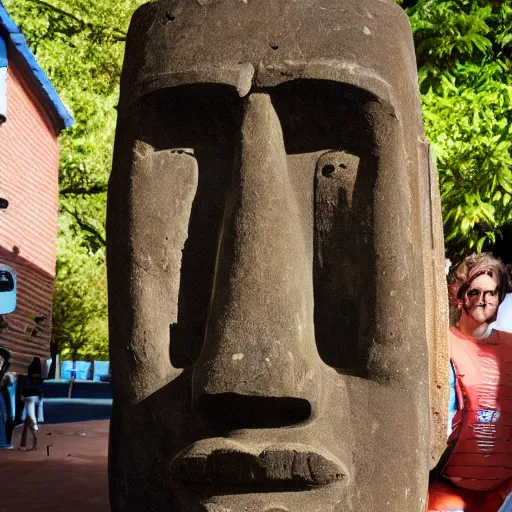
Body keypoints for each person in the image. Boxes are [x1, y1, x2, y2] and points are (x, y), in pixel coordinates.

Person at [429, 253, 512, 512]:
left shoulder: (511, 346)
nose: (483, 300)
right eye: (474, 291)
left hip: (504, 493)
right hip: (448, 490)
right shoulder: (440, 344)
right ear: (458, 294)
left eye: (491, 292)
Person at [19, 357, 44, 451]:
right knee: (33, 409)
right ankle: (34, 424)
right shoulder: (40, 372)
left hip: (28, 393)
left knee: (29, 409)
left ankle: (32, 423)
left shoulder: (29, 370)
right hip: (36, 393)